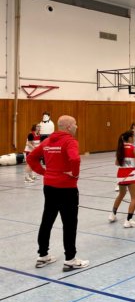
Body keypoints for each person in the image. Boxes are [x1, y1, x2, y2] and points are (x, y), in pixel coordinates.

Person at [27, 115, 89, 270]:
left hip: (49, 187)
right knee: (69, 223)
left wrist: (44, 173)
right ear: (68, 127)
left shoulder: (47, 141)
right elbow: (75, 159)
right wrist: (75, 174)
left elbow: (31, 158)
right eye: (75, 124)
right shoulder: (70, 141)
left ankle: (42, 256)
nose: (76, 127)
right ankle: (70, 259)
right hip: (67, 188)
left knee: (47, 220)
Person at [109, 130, 135, 228]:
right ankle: (128, 220)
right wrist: (134, 165)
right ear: (130, 138)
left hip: (120, 175)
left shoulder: (120, 148)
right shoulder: (133, 149)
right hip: (130, 175)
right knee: (134, 198)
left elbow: (117, 163)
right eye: (134, 136)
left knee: (121, 194)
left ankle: (112, 214)